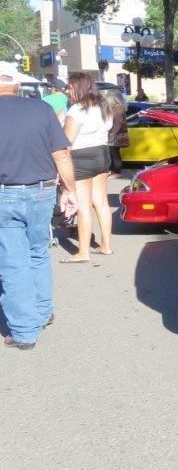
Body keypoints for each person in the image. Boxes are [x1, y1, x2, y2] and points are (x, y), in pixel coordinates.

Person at [0, 73, 77, 350]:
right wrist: (70, 191)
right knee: (38, 252)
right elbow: (62, 154)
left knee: (12, 261)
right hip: (42, 190)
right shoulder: (41, 109)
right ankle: (44, 312)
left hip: (4, 194)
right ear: (18, 86)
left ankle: (23, 331)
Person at [63, 73, 113, 262]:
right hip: (102, 153)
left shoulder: (77, 109)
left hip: (81, 156)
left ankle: (83, 252)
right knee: (101, 202)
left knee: (84, 206)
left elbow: (66, 142)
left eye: (70, 86)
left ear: (79, 87)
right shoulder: (103, 106)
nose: (68, 91)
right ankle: (106, 246)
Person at [104, 91, 129, 174]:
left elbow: (118, 123)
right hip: (119, 134)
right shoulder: (120, 107)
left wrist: (112, 134)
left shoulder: (116, 108)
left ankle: (116, 171)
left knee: (113, 153)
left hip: (116, 135)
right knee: (115, 153)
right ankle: (116, 171)